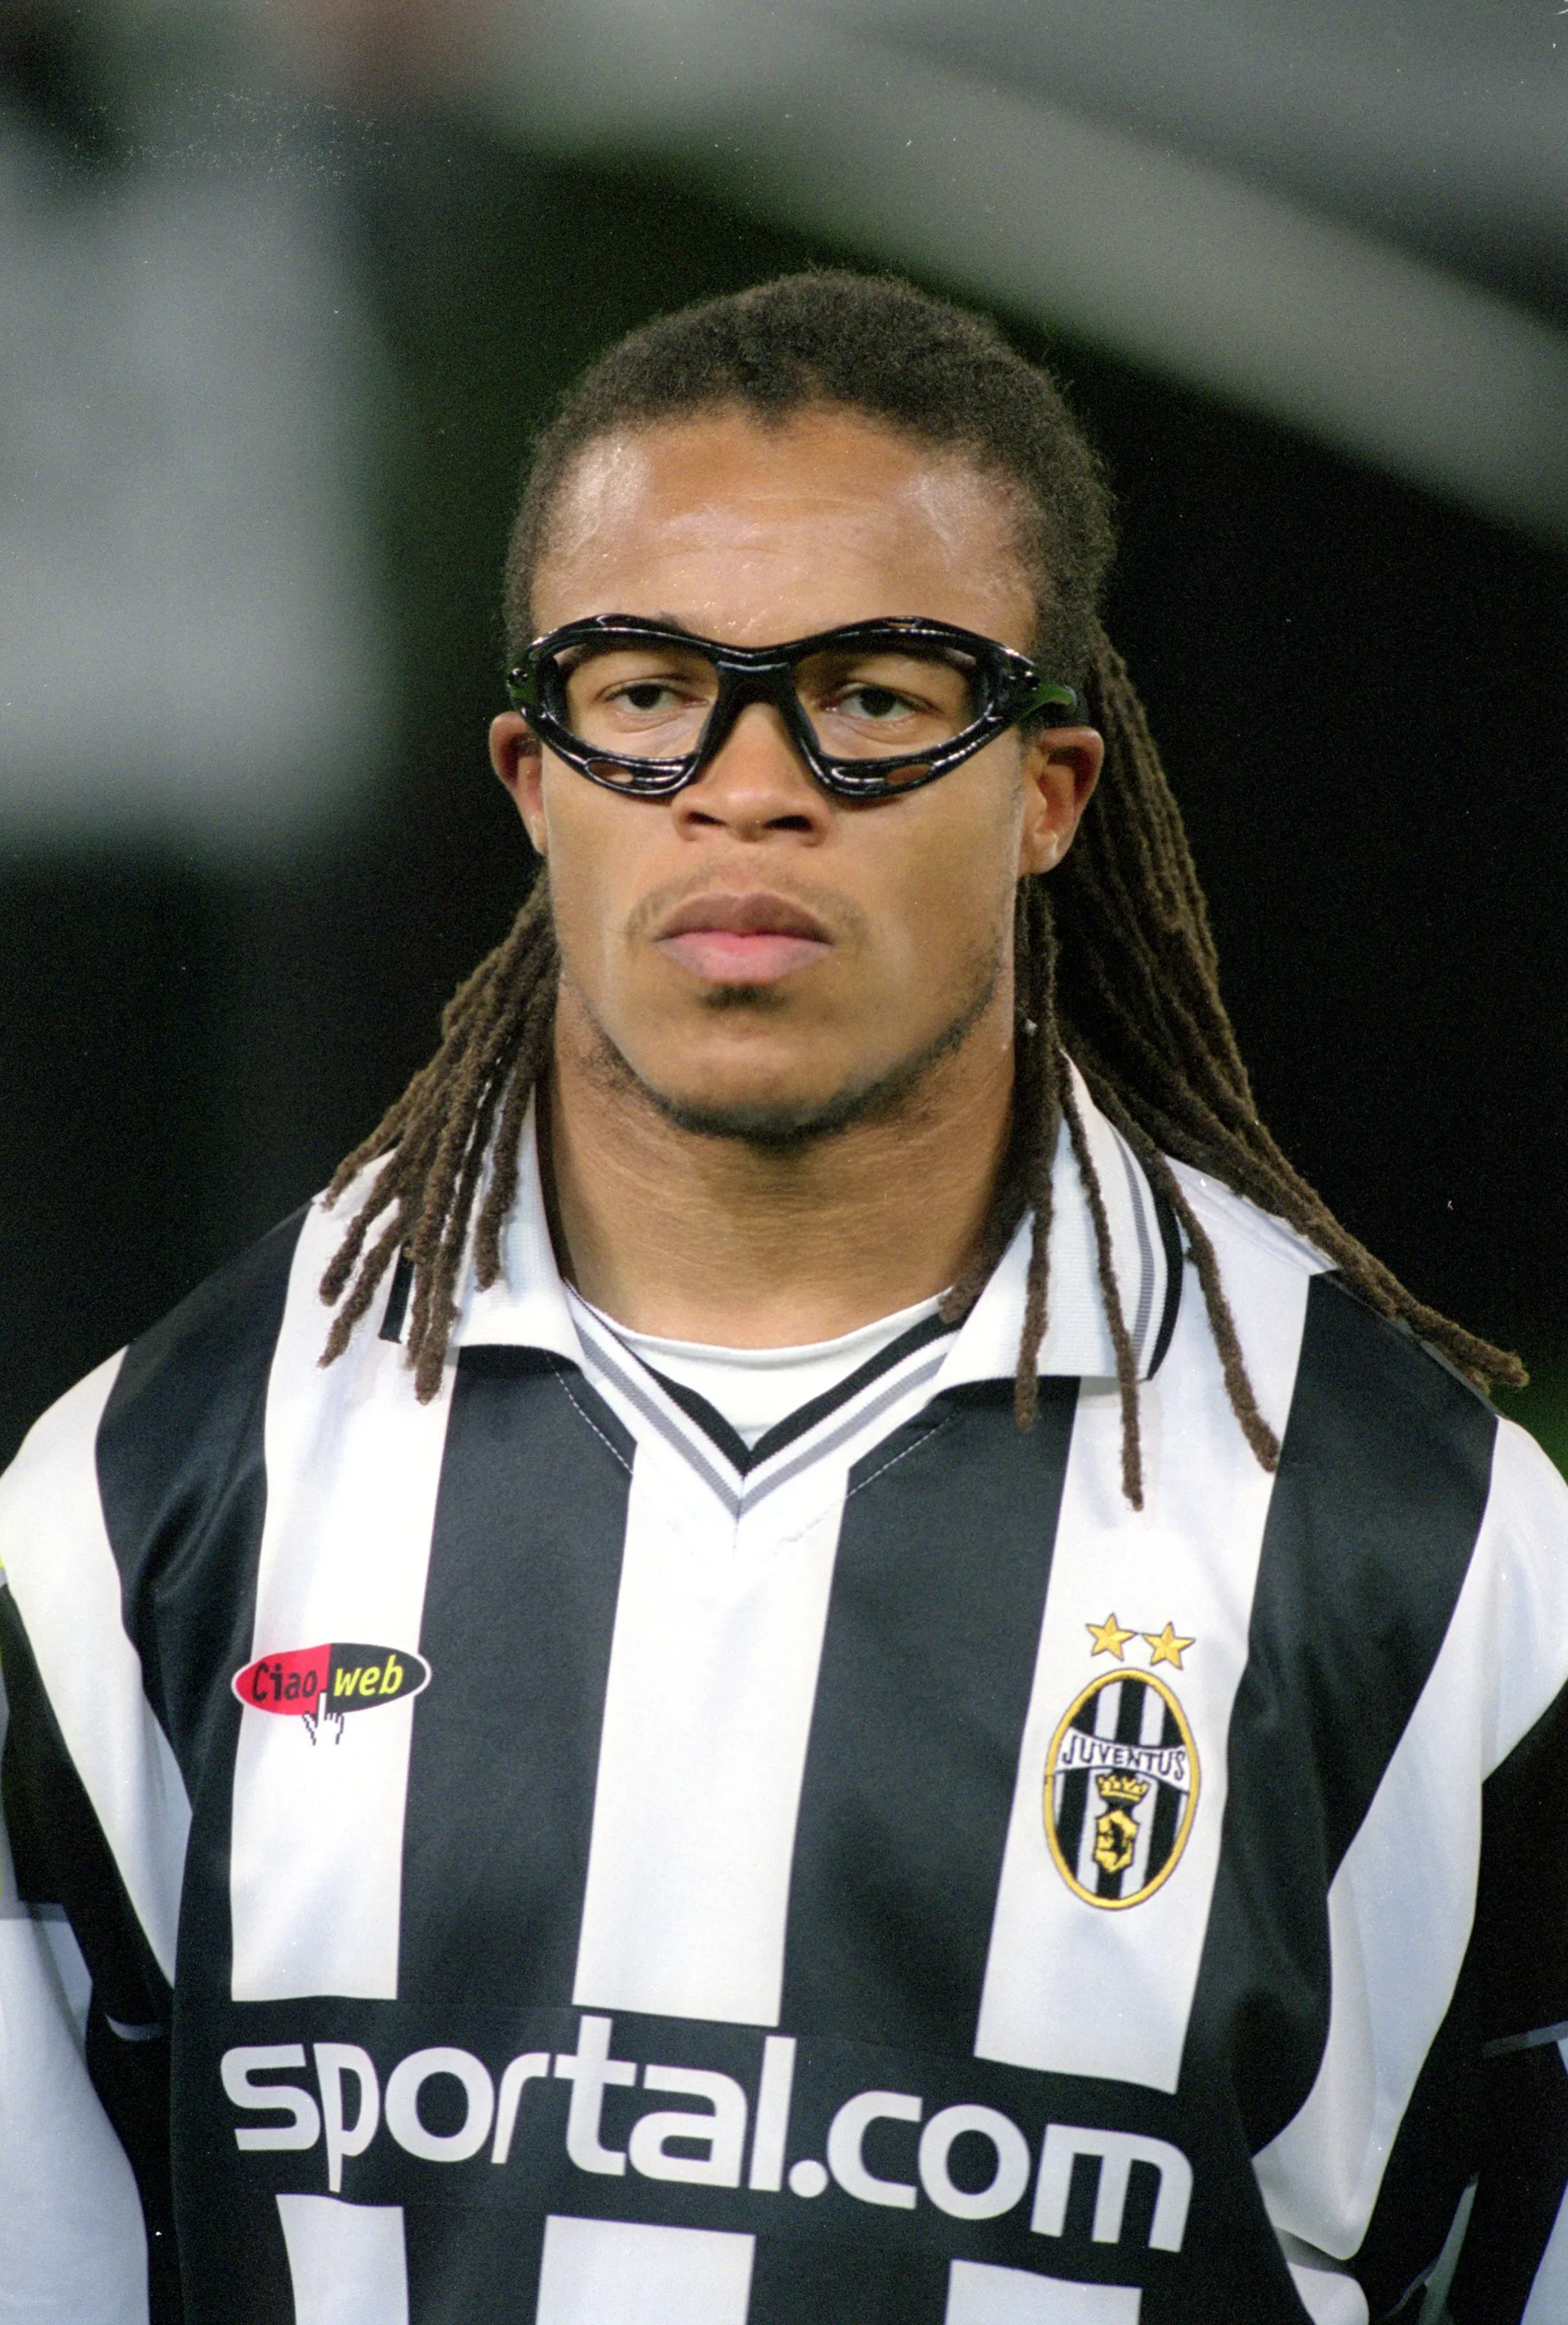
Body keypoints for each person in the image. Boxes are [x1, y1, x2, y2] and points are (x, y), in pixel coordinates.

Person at [2, 272, 1565, 2325]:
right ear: (529, 776)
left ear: (1049, 793)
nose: (748, 783)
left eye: (877, 693)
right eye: (644, 690)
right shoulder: (154, 1496)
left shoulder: (1419, 1550)